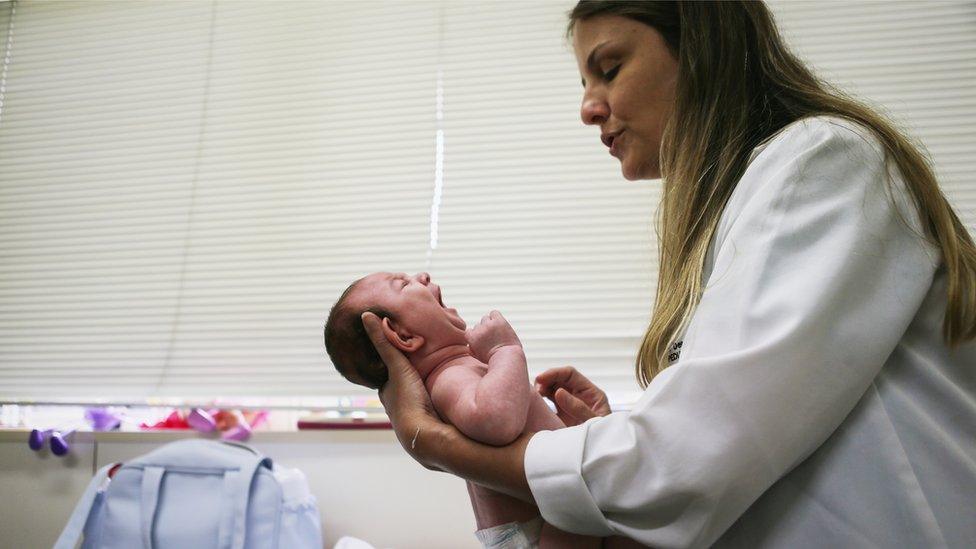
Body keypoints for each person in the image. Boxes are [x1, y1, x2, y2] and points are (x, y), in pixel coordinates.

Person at [361, 1, 976, 547]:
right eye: (584, 80)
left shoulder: (822, 163)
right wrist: (625, 428)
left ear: (700, 48)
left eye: (609, 68)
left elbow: (701, 453)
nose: (587, 108)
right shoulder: (738, 207)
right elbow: (728, 428)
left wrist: (439, 446)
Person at [324, 272, 601, 547]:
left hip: (547, 519)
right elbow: (497, 421)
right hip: (540, 532)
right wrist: (505, 349)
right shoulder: (448, 378)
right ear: (403, 335)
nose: (422, 275)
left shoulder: (459, 370)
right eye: (404, 284)